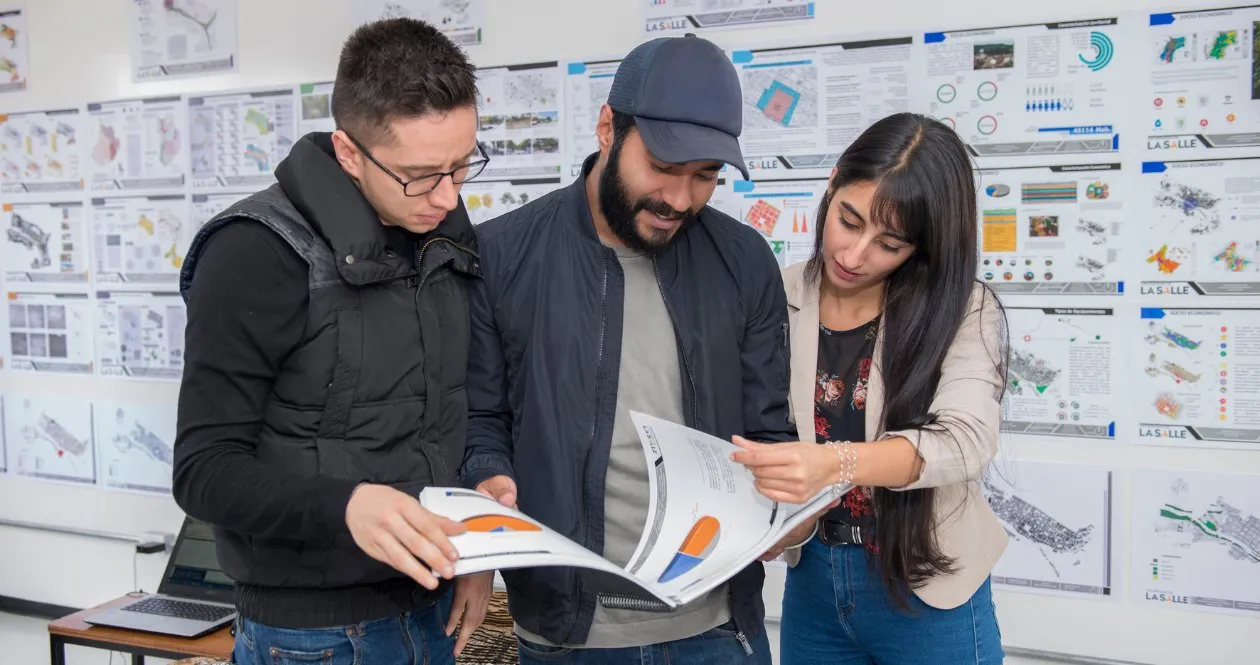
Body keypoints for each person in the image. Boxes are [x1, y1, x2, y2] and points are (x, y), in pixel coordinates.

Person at [458, 33, 795, 665]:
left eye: (705, 177)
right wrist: (488, 480)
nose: (680, 199)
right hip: (568, 635)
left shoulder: (744, 260)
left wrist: (786, 510)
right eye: (664, 168)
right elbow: (480, 419)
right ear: (608, 127)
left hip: (717, 630)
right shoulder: (501, 255)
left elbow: (768, 429)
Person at [172, 18, 493, 664]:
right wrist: (347, 507)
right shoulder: (253, 253)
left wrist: (482, 545)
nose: (450, 195)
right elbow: (202, 470)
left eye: (462, 165)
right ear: (349, 153)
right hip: (311, 638)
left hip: (432, 612)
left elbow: (448, 417)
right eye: (422, 174)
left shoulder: (440, 236)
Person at [731, 112, 1011, 664]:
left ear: (921, 246)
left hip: (928, 585)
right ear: (833, 182)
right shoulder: (774, 295)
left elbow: (964, 442)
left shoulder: (962, 309)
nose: (854, 255)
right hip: (813, 582)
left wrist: (833, 464)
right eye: (849, 220)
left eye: (889, 243)